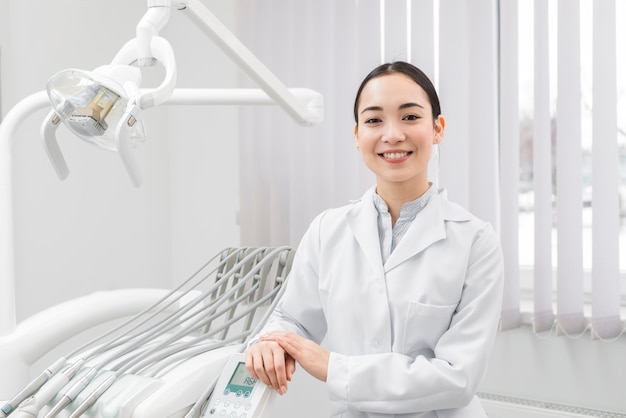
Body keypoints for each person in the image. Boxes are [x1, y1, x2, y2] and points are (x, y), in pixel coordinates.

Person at [245, 61, 504, 417]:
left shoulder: (475, 241)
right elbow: (292, 318)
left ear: (438, 128)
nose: (393, 135)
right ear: (356, 135)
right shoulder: (327, 230)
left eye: (410, 117)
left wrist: (334, 368)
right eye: (374, 120)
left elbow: (458, 378)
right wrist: (268, 341)